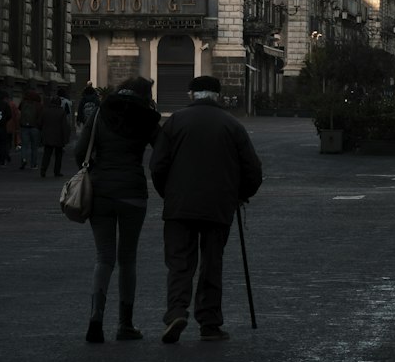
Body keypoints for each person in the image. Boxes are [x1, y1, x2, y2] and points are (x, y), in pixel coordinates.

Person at [150, 74, 263, 344]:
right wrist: (239, 195)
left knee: (179, 263)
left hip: (180, 206)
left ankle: (177, 311)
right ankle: (210, 323)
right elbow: (253, 170)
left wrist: (170, 194)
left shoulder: (174, 122)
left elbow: (157, 166)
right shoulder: (232, 125)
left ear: (191, 95)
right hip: (218, 205)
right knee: (212, 263)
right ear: (218, 96)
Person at [72, 77, 161, 344]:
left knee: (104, 258)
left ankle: (95, 320)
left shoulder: (101, 112)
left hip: (100, 192)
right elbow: (162, 153)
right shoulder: (148, 118)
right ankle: (125, 324)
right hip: (133, 192)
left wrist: (97, 167)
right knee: (128, 259)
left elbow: (79, 151)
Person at [39, 93, 71, 179]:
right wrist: (66, 138)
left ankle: (43, 170)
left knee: (47, 154)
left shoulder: (45, 111)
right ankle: (57, 171)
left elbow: (40, 123)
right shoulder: (61, 112)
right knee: (58, 155)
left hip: (48, 136)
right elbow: (65, 126)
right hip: (58, 137)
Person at [18, 84, 43, 169]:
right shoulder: (38, 105)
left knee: (24, 146)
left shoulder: (23, 103)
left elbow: (19, 110)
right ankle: (33, 164)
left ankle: (24, 159)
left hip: (24, 127)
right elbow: (41, 117)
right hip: (35, 128)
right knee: (34, 147)